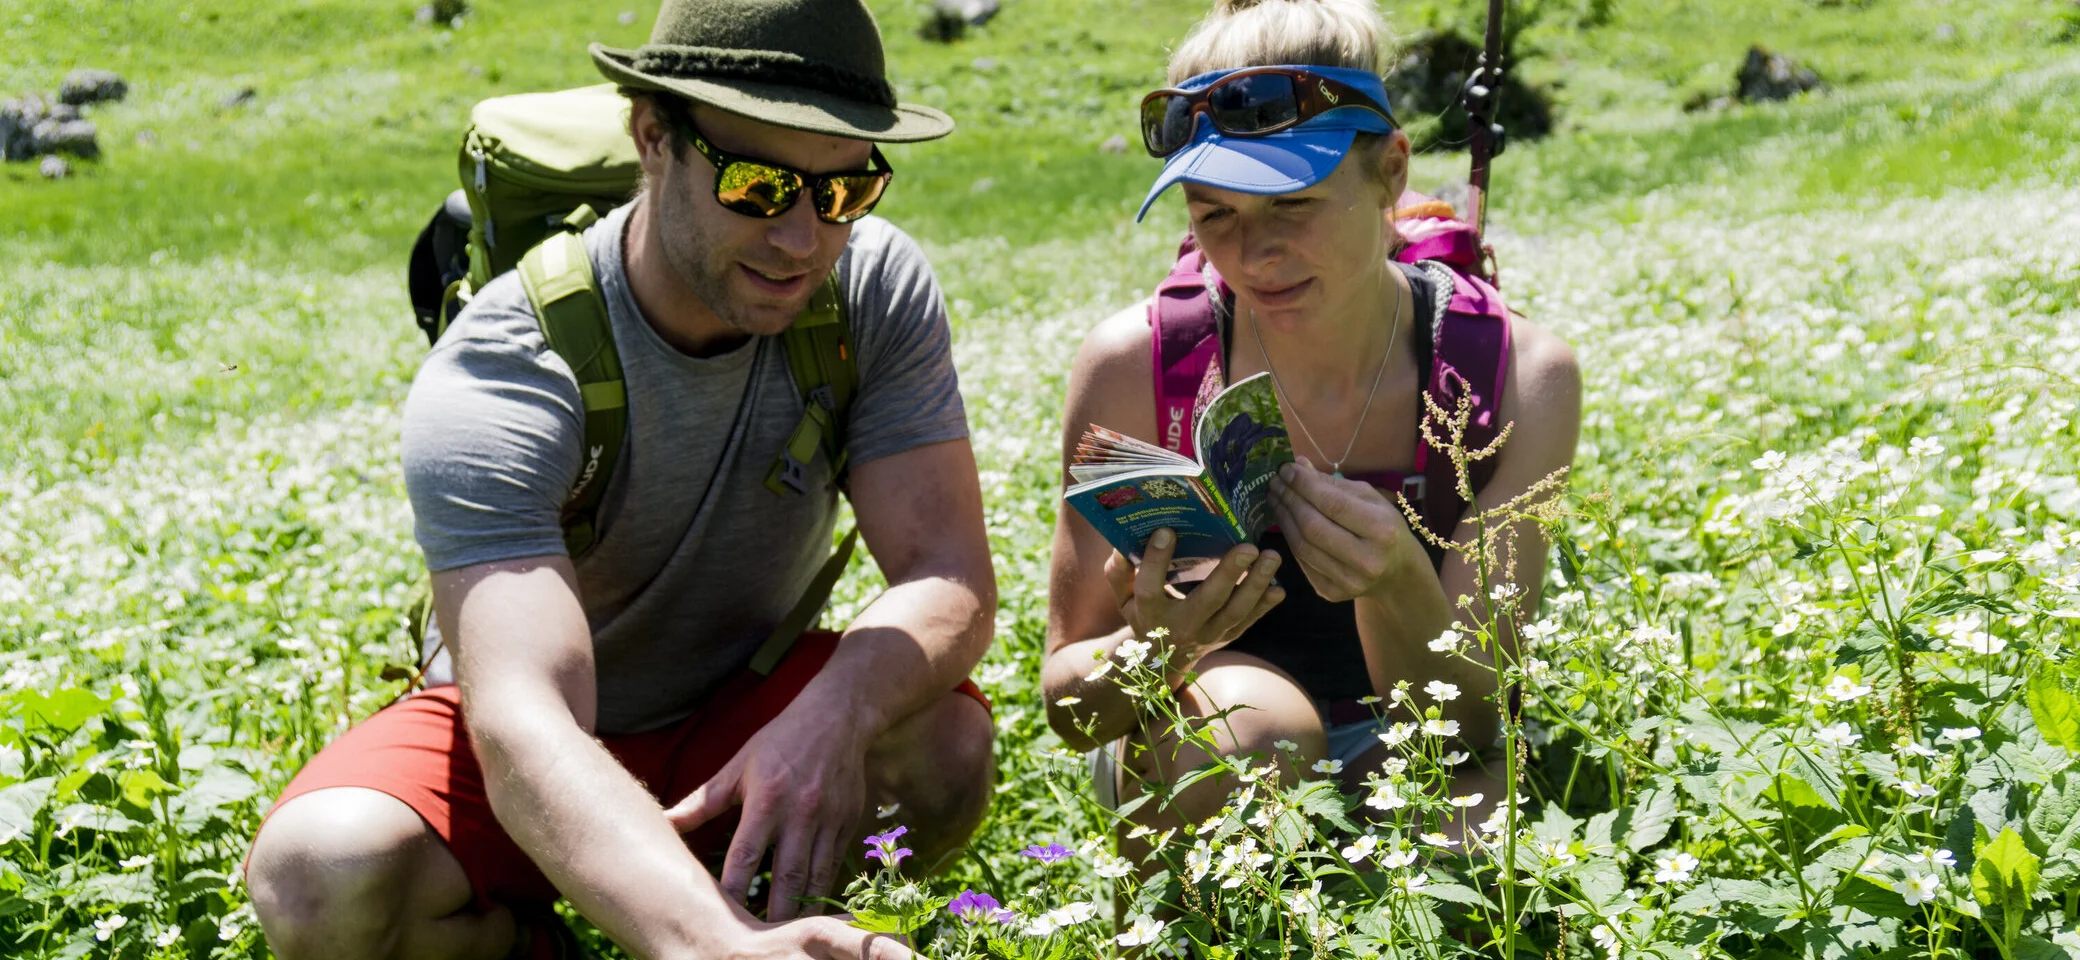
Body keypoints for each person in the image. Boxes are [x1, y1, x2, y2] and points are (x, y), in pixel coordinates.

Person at [244, 1, 997, 957]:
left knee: (941, 746)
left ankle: (782, 922)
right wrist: (711, 951)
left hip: (739, 712)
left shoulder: (872, 291)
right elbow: (522, 722)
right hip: (532, 744)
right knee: (322, 877)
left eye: (846, 193)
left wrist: (831, 716)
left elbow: (949, 576)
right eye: (759, 186)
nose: (804, 240)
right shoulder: (512, 362)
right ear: (653, 138)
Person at [1042, 0, 1581, 872]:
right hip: (1214, 728)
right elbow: (1071, 711)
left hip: (1416, 733)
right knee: (1245, 742)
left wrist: (1400, 580)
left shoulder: (1514, 376)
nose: (1256, 257)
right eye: (1216, 216)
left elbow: (1474, 724)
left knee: (1481, 846)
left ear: (1392, 171)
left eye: (1293, 205)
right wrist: (1161, 647)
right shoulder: (1136, 367)